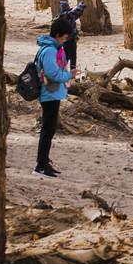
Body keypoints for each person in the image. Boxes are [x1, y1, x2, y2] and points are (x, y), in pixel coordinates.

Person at [34, 16, 77, 176]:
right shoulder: (51, 50)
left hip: (52, 93)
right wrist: (68, 75)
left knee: (49, 130)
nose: (65, 41)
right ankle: (41, 165)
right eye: (65, 37)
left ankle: (43, 162)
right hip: (49, 93)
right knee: (47, 130)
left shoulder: (50, 48)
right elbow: (52, 74)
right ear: (58, 35)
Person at [55, 1, 86, 68]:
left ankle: (61, 70)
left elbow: (77, 14)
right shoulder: (65, 15)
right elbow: (74, 12)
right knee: (72, 57)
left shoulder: (66, 16)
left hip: (67, 40)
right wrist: (80, 6)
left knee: (67, 56)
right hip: (69, 40)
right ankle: (71, 72)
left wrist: (81, 8)